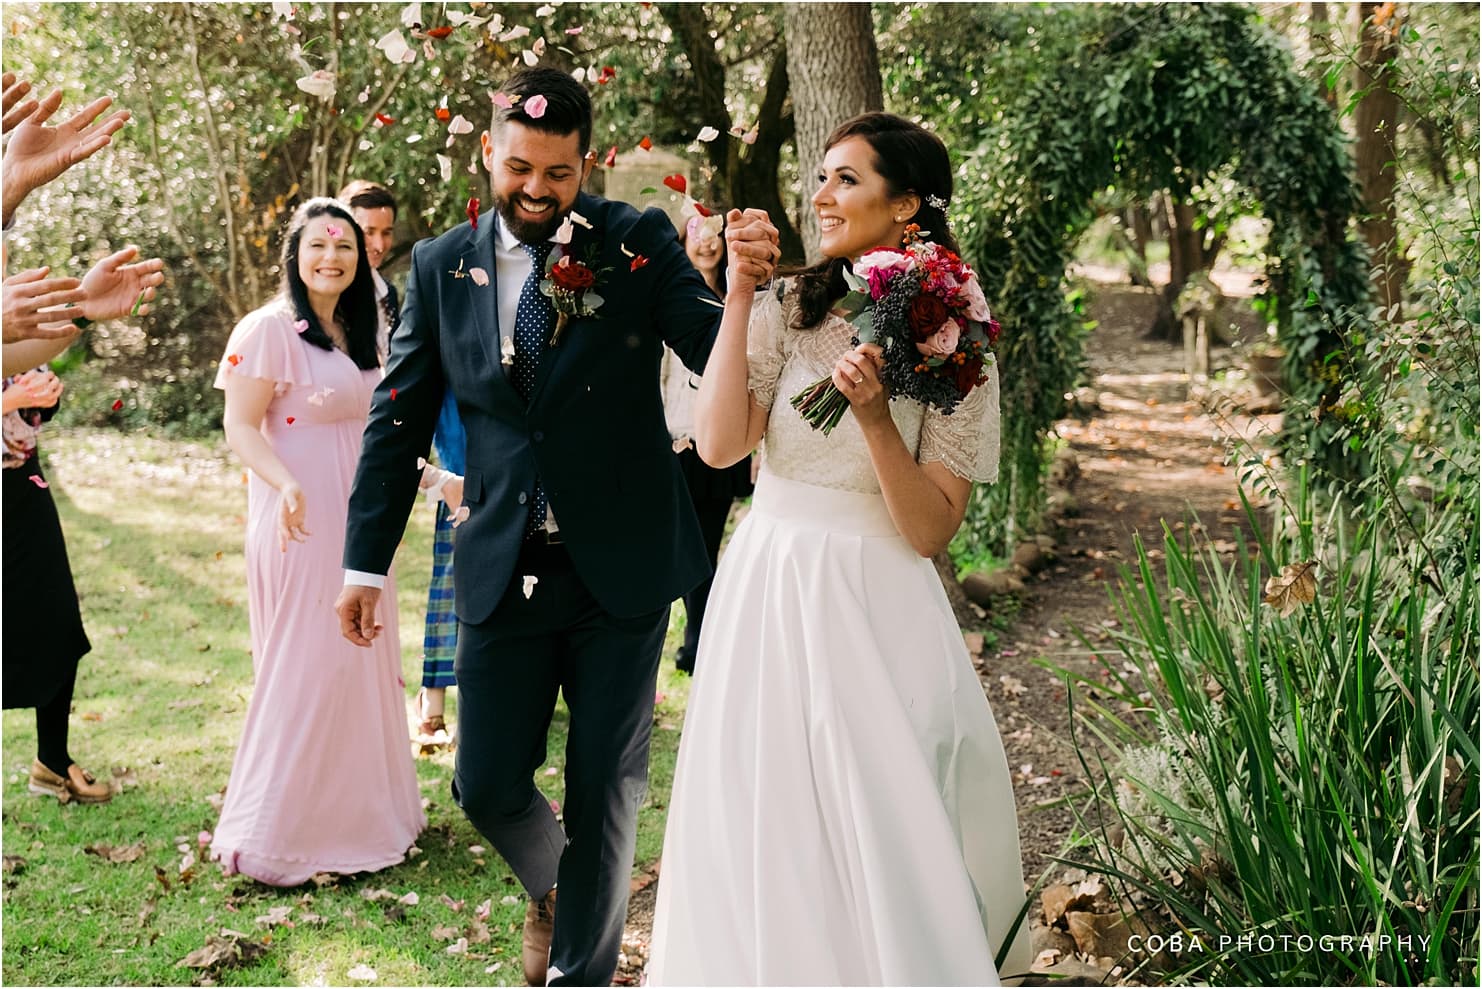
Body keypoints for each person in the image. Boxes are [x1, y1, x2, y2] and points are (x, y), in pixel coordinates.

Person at [333, 67, 777, 986]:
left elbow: (718, 347)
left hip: (621, 567)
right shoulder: (439, 267)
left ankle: (583, 969)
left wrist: (746, 292)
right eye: (521, 167)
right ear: (488, 153)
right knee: (483, 782)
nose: (538, 189)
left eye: (561, 173)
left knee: (605, 792)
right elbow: (397, 420)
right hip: (501, 560)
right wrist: (363, 567)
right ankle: (559, 886)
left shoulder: (638, 243)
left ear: (587, 165)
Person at [645, 113, 1034, 985]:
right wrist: (741, 290)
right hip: (772, 585)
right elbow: (720, 448)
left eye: (845, 180)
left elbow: (932, 529)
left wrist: (872, 420)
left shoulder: (960, 337)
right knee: (769, 810)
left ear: (907, 207)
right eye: (821, 176)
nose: (820, 196)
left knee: (879, 817)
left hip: (878, 599)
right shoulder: (792, 304)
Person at [209, 198, 428, 886]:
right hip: (297, 521)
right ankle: (277, 832)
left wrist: (432, 478)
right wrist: (284, 482)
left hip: (362, 525)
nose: (330, 259)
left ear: (363, 258)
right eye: (317, 249)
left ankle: (366, 817)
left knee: (360, 663)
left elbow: (380, 430)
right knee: (310, 666)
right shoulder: (268, 329)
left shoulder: (371, 330)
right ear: (295, 258)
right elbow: (241, 426)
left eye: (344, 248)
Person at [339, 177, 463, 742]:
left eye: (387, 233)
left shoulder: (393, 295)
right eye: (368, 232)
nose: (378, 244)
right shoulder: (313, 300)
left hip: (401, 449)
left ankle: (385, 718)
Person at [658, 215, 754, 675]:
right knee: (679, 548)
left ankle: (699, 641)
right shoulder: (668, 297)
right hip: (677, 440)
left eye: (717, 237)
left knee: (706, 548)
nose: (709, 244)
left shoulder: (739, 301)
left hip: (719, 442)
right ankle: (681, 636)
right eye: (699, 235)